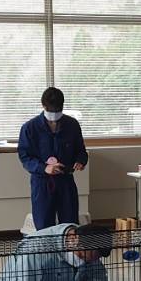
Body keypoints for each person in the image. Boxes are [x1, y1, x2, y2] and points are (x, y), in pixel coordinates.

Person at [17, 87, 87, 230]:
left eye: (58, 110)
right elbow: (25, 157)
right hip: (42, 183)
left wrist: (81, 161)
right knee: (43, 227)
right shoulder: (30, 128)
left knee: (70, 226)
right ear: (43, 106)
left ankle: (68, 252)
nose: (54, 114)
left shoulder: (72, 125)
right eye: (51, 110)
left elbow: (81, 151)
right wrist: (44, 168)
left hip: (66, 181)